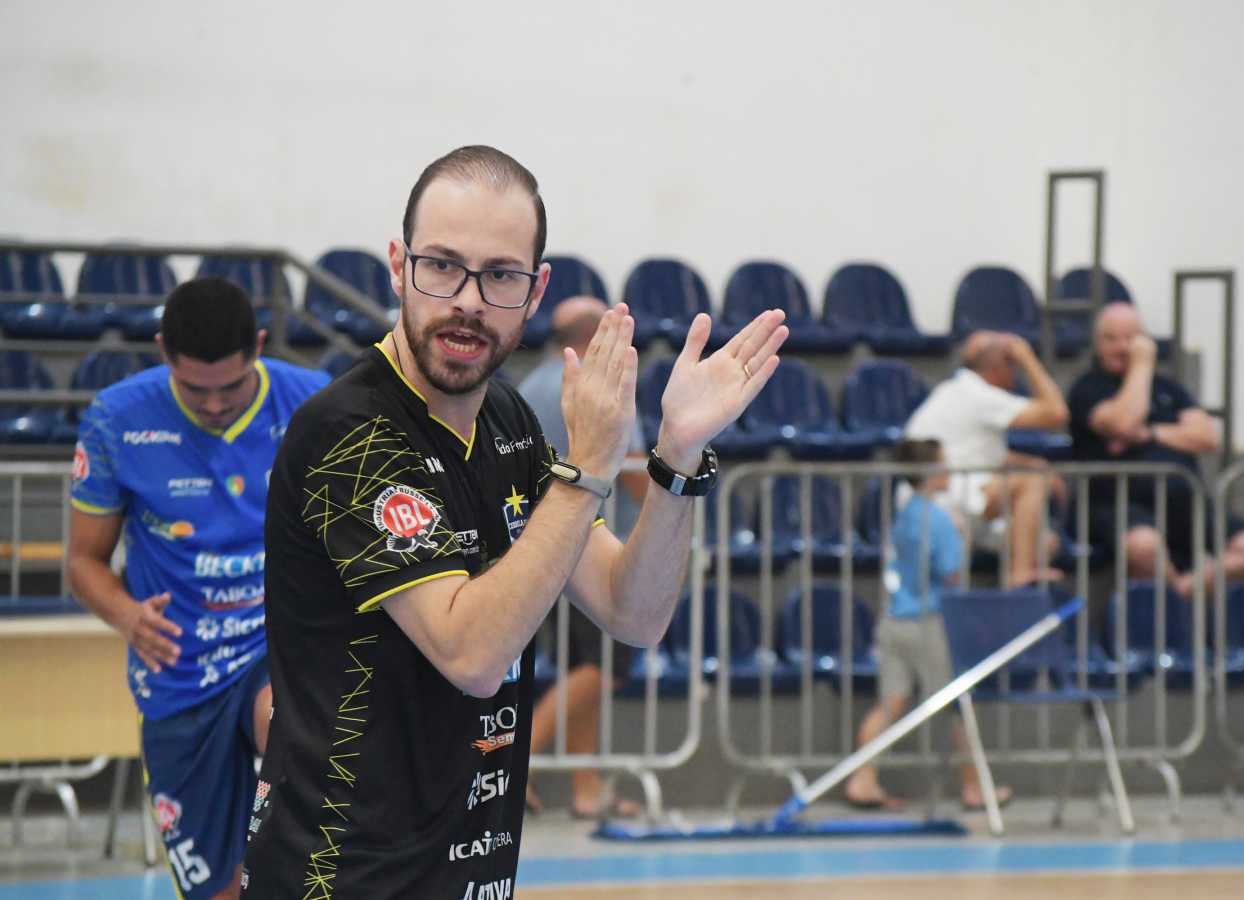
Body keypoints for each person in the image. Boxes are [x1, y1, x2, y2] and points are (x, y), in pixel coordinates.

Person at [241, 145, 788, 898]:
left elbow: (633, 612)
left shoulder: (507, 420)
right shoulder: (350, 434)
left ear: (536, 292)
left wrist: (676, 458)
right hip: (342, 874)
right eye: (442, 266)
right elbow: (472, 655)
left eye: (500, 275)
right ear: (398, 266)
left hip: (471, 869)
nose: (468, 300)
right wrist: (588, 467)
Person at [66, 278, 329, 900]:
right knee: (215, 890)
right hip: (178, 669)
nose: (213, 405)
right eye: (194, 389)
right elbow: (83, 562)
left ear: (259, 347)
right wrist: (127, 616)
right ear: (163, 352)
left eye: (230, 388)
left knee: (292, 740)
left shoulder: (315, 403)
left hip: (274, 643)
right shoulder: (116, 420)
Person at [517, 295, 648, 819]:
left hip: (539, 547)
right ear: (597, 337)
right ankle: (517, 764)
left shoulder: (527, 387)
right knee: (603, 669)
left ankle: (586, 789)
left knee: (584, 669)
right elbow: (635, 474)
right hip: (593, 551)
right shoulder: (601, 387)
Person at [1068, 302, 1244, 597]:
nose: (1122, 347)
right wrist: (1142, 366)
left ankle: (1182, 592)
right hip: (1119, 503)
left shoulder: (1169, 389)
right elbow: (1125, 423)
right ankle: (1178, 609)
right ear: (1097, 344)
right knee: (1144, 546)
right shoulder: (1088, 388)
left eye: (1130, 338)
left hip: (1186, 503)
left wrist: (1150, 433)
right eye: (1111, 338)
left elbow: (1206, 437)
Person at [844, 439, 1012, 812]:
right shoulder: (938, 519)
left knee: (890, 703)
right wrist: (962, 540)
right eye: (943, 463)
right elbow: (950, 573)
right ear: (931, 472)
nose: (950, 469)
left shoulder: (905, 514)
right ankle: (974, 787)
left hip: (894, 619)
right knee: (958, 705)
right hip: (928, 621)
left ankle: (863, 778)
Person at [903, 330, 1069, 586]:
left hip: (952, 495)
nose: (1015, 373)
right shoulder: (976, 394)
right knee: (1032, 482)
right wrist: (1027, 358)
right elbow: (1057, 413)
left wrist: (1039, 465)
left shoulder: (958, 391)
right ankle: (1020, 576)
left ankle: (1015, 603)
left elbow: (985, 453)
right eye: (1012, 365)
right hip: (940, 497)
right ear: (999, 368)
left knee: (1046, 543)